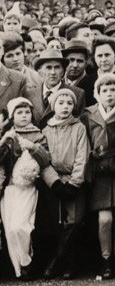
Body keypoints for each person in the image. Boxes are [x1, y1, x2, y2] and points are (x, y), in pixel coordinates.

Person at [81, 74, 115, 279]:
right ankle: (106, 259)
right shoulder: (88, 114)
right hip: (99, 172)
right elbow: (83, 141)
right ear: (97, 93)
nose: (109, 94)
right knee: (105, 218)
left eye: (113, 89)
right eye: (104, 90)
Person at [40, 88, 89, 280]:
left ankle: (57, 261)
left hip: (74, 180)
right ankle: (68, 263)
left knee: (74, 222)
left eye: (69, 103)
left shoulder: (79, 128)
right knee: (57, 224)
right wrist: (54, 182)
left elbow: (82, 156)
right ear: (53, 106)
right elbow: (43, 159)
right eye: (61, 103)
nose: (65, 107)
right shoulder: (46, 130)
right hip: (54, 182)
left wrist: (75, 183)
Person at [0, 97, 50, 279]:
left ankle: (28, 259)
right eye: (19, 112)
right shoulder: (8, 135)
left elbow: (46, 161)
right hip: (9, 189)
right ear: (12, 116)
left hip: (29, 189)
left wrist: (34, 148)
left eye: (27, 112)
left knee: (21, 227)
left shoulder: (38, 134)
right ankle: (20, 269)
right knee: (10, 230)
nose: (24, 115)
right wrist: (5, 140)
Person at [34, 49, 86, 126]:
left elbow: (79, 126)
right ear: (39, 72)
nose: (53, 72)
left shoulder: (77, 94)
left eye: (57, 67)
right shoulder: (30, 93)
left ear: (63, 72)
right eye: (48, 67)